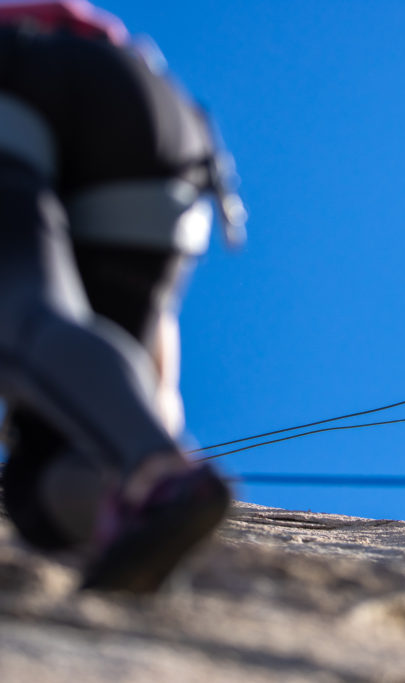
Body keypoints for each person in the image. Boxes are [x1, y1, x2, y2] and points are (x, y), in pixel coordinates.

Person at [0, 0, 245, 592]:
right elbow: (155, 361)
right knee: (43, 487)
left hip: (18, 72)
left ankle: (159, 475)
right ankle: (150, 511)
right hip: (161, 115)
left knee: (15, 312)